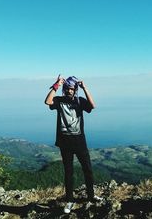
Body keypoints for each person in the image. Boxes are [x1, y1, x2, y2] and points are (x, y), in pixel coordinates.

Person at [44, 75, 102, 214]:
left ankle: (91, 195)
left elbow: (93, 105)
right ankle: (69, 200)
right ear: (65, 89)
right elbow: (47, 101)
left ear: (75, 89)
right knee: (69, 172)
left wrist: (85, 88)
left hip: (80, 142)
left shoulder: (80, 101)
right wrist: (56, 85)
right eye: (68, 88)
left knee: (88, 169)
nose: (70, 91)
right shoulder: (59, 101)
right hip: (65, 143)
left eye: (72, 88)